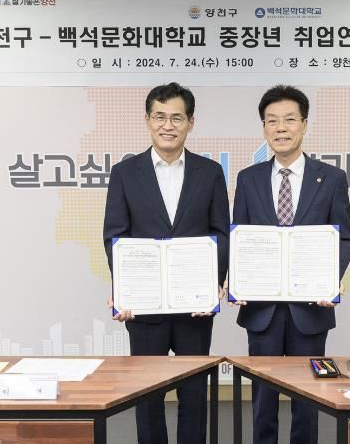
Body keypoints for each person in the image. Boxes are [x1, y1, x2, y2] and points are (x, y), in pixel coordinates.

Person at [103, 82, 229, 444]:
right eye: (159, 116)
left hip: (194, 307)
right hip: (145, 307)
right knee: (148, 396)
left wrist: (211, 286)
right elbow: (115, 237)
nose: (167, 125)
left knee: (194, 394)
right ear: (147, 120)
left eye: (177, 117)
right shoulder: (125, 173)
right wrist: (125, 289)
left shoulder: (209, 172)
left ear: (191, 122)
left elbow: (220, 233)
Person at [232, 85, 350, 444]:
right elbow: (240, 237)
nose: (280, 128)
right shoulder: (248, 179)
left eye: (289, 119)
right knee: (262, 396)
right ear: (264, 128)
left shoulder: (331, 178)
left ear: (304, 125)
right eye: (272, 121)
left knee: (309, 396)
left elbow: (344, 237)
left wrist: (331, 278)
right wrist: (237, 279)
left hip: (310, 308)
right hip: (262, 309)